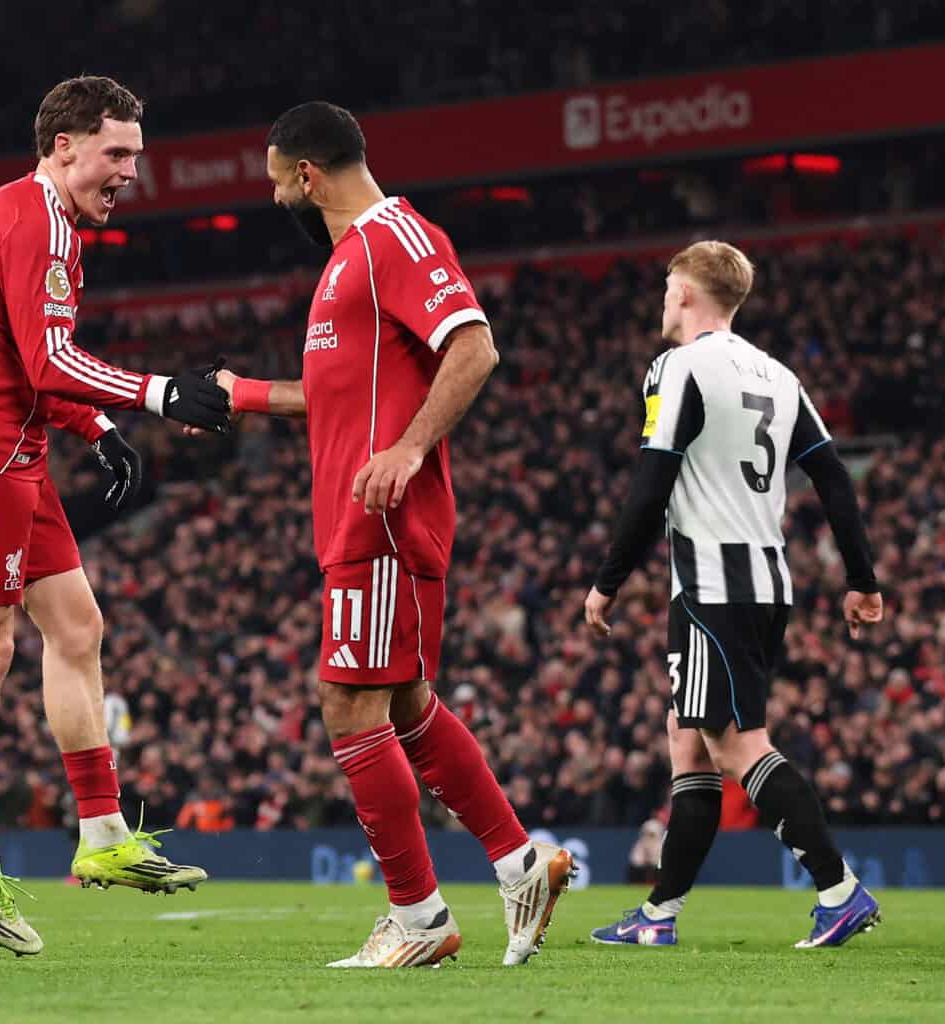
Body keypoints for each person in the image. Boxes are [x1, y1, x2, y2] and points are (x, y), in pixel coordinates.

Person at [210, 101, 573, 969]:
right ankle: (520, 864)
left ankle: (417, 917)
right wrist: (243, 395)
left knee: (348, 702)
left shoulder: (393, 238)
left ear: (307, 176)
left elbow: (475, 346)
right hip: (355, 517)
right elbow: (334, 397)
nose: (276, 201)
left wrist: (409, 449)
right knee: (405, 704)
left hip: (381, 519)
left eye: (277, 184)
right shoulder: (347, 263)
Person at [0, 75, 228, 957]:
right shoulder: (37, 224)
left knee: (78, 628)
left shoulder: (39, 217)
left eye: (136, 156)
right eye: (117, 153)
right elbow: (45, 360)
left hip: (14, 448)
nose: (130, 173)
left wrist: (99, 426)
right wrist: (158, 394)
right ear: (64, 145)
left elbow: (25, 360)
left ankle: (105, 833)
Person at [582, 240, 883, 949]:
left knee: (739, 747)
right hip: (766, 582)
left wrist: (608, 580)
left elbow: (652, 479)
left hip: (711, 584)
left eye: (667, 288)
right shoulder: (779, 375)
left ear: (687, 293)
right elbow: (833, 477)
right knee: (688, 740)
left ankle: (839, 891)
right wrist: (862, 578)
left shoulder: (678, 367)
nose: (663, 301)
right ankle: (659, 914)